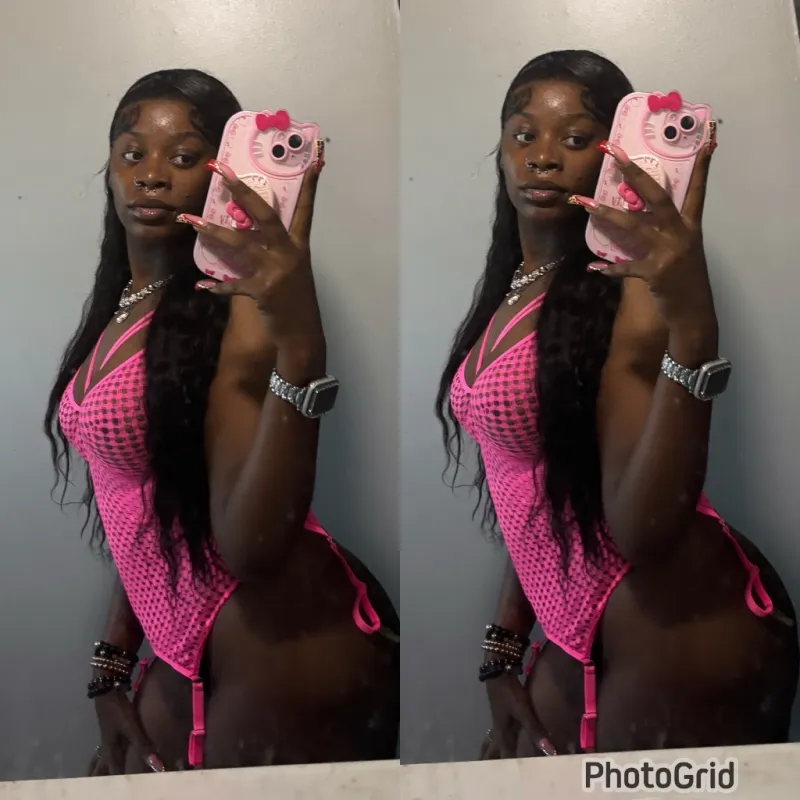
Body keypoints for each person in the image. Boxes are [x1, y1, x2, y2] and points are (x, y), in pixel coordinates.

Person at [435, 49, 798, 757]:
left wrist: (692, 328)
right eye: (522, 134)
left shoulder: (631, 288)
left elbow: (639, 531)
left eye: (576, 139)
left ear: (617, 155)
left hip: (674, 619)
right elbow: (535, 484)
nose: (543, 156)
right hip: (573, 625)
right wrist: (504, 645)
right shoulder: (516, 287)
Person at [44, 68, 399, 773]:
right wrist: (113, 661)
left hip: (277, 643)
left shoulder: (240, 307)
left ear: (223, 174)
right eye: (131, 152)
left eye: (183, 157)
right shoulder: (126, 305)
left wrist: (299, 341)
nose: (151, 174)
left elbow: (248, 549)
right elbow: (144, 500)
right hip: (181, 646)